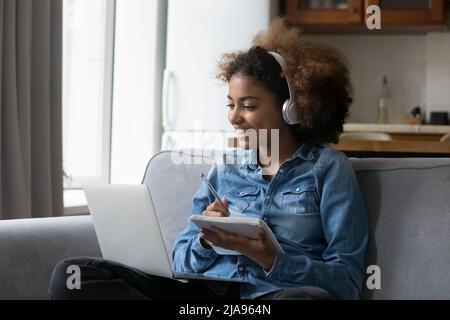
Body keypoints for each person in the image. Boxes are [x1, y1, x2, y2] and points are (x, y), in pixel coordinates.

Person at [48, 18, 367, 300]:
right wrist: (204, 242)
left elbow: (348, 282)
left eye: (249, 105)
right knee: (73, 276)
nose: (234, 117)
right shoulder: (225, 169)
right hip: (206, 296)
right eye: (231, 104)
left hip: (278, 295)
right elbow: (180, 261)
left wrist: (273, 259)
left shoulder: (327, 169)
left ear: (291, 108)